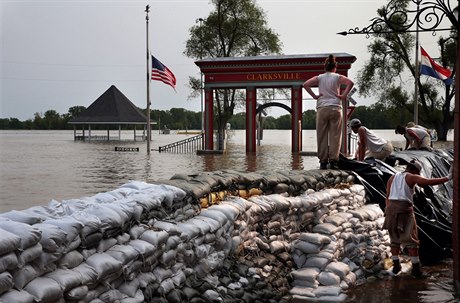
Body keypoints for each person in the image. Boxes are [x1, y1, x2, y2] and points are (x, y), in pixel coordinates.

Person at [383, 159, 450, 277]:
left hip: (390, 211)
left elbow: (387, 195)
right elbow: (427, 182)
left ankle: (396, 266)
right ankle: (416, 270)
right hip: (405, 211)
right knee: (411, 240)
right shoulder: (411, 177)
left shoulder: (392, 177)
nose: (418, 175)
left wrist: (389, 210)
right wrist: (448, 178)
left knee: (395, 240)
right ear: (414, 170)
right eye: (418, 172)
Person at [303, 54, 354, 169]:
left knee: (322, 135)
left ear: (325, 67)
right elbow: (350, 83)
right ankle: (334, 160)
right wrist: (343, 95)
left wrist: (315, 96)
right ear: (335, 67)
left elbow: (305, 84)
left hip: (322, 108)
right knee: (335, 135)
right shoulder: (337, 77)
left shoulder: (320, 77)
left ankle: (323, 161)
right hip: (336, 107)